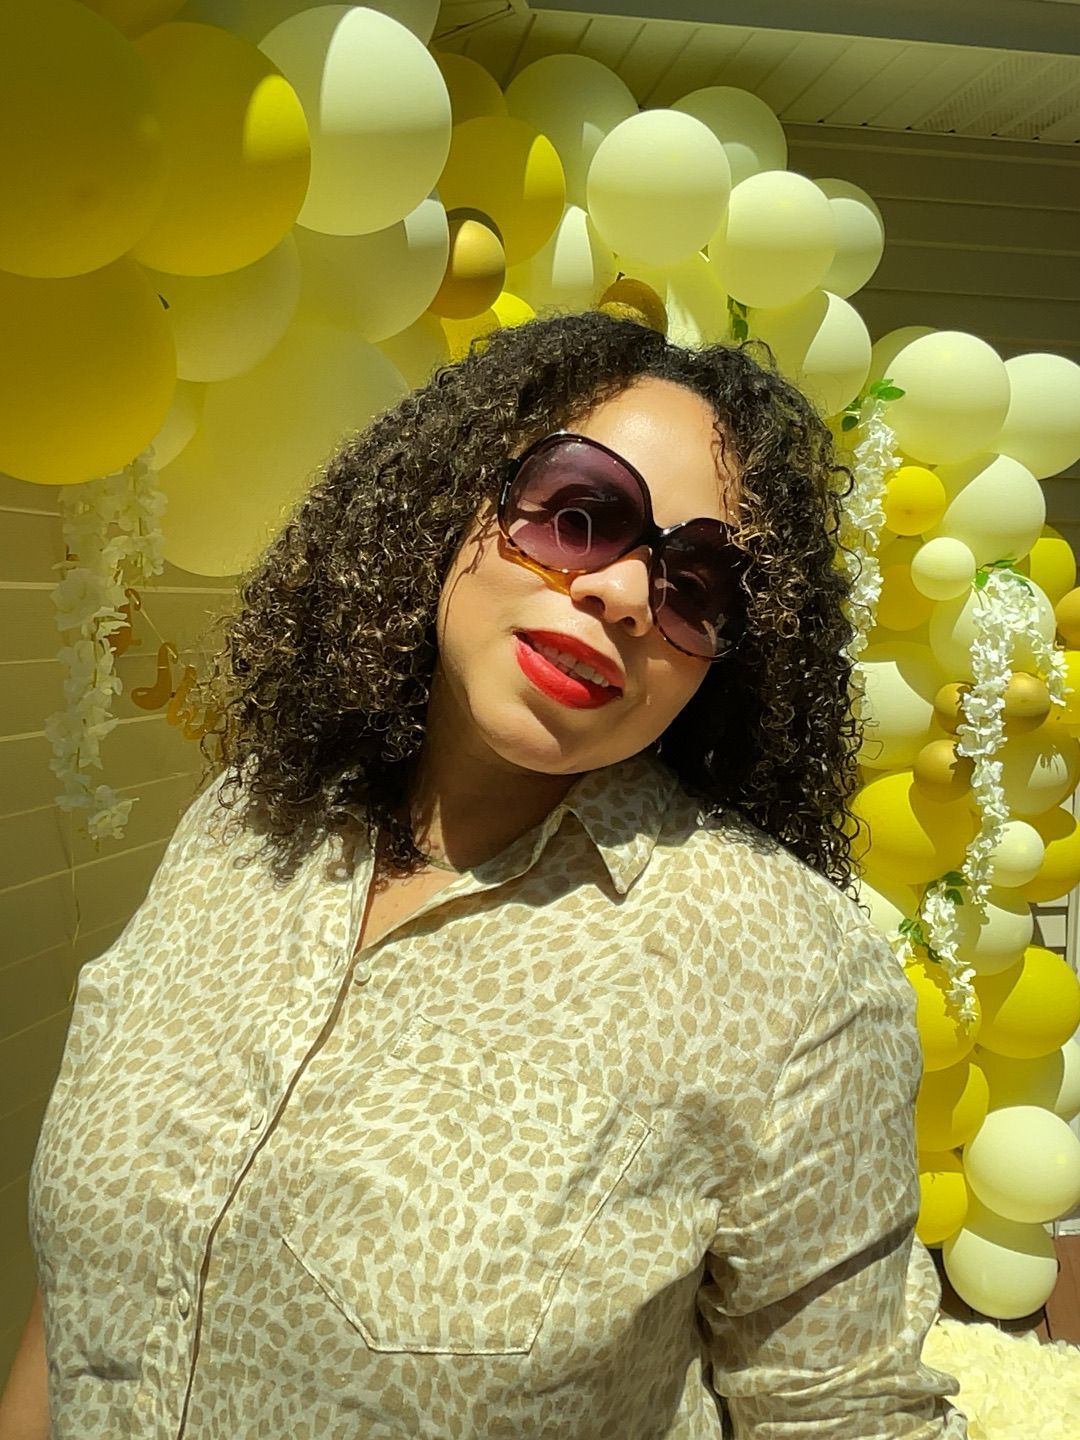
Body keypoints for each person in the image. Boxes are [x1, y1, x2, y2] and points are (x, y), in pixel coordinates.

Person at [2, 311, 967, 1439]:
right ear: (447, 500)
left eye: (696, 584)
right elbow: (87, 1310)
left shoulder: (780, 969)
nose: (618, 594)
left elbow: (850, 1420)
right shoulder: (248, 823)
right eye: (578, 514)